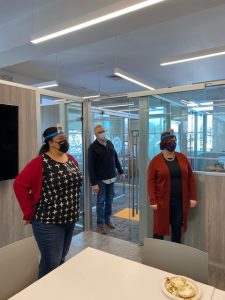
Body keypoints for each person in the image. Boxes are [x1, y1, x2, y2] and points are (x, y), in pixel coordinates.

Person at [14, 126, 83, 278]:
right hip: (48, 221)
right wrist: (29, 212)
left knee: (61, 259)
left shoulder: (71, 159)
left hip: (69, 219)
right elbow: (19, 185)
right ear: (50, 143)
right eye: (60, 140)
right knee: (51, 262)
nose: (64, 142)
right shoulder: (40, 162)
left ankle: (56, 289)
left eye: (65, 138)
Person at [147, 129, 197, 243]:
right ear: (164, 143)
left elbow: (191, 178)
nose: (173, 143)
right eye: (170, 141)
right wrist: (153, 200)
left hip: (179, 202)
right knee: (159, 229)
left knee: (177, 229)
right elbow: (150, 181)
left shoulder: (183, 158)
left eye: (174, 140)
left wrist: (193, 197)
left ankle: (175, 255)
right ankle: (157, 254)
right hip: (161, 201)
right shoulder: (155, 161)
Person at [88, 125, 125, 234]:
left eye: (103, 131)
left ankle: (107, 219)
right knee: (100, 202)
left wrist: (121, 171)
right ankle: (100, 224)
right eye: (99, 132)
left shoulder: (109, 143)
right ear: (95, 134)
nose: (102, 133)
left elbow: (115, 158)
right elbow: (91, 167)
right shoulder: (93, 148)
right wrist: (94, 183)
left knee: (110, 200)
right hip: (100, 180)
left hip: (112, 178)